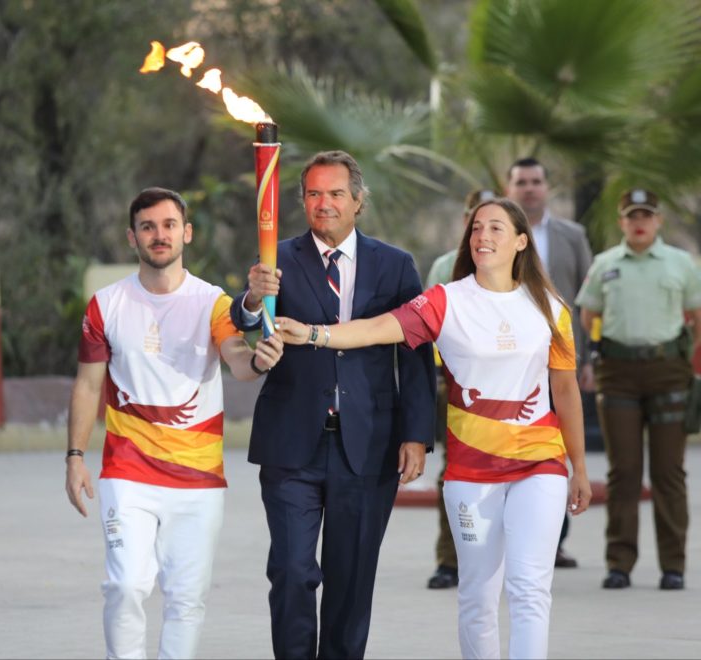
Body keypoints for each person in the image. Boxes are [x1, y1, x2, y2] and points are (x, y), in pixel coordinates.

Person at [277, 197, 592, 660]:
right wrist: (314, 334)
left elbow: (565, 391)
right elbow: (377, 329)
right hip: (471, 472)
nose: (482, 237)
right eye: (476, 228)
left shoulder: (550, 307)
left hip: (538, 465)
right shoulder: (447, 300)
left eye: (496, 229)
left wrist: (578, 466)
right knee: (478, 597)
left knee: (529, 588)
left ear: (521, 242)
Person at [230, 150, 436, 659]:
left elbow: (415, 356)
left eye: (336, 193)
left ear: (358, 201)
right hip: (291, 445)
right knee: (293, 570)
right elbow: (248, 324)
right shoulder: (274, 258)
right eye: (315, 193)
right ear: (301, 200)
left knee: (352, 577)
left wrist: (416, 434)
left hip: (368, 446)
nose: (325, 203)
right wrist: (253, 299)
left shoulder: (395, 265)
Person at [64, 187, 283, 659]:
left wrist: (262, 361)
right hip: (129, 471)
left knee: (186, 598)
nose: (158, 235)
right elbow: (86, 386)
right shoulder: (106, 305)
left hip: (197, 478)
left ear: (186, 233)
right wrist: (75, 456)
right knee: (125, 584)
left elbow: (239, 363)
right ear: (131, 237)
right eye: (147, 227)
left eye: (167, 225)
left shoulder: (213, 302)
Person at [575, 189, 701, 591]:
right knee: (624, 472)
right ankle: (619, 564)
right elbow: (588, 313)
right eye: (632, 216)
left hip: (668, 372)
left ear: (659, 221)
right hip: (619, 373)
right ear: (622, 222)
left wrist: (684, 359)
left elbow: (696, 315)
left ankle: (673, 566)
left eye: (646, 215)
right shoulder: (606, 264)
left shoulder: (681, 263)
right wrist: (596, 353)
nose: (639, 222)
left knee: (668, 472)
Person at [505, 156, 593, 568]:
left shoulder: (572, 236)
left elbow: (585, 302)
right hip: (509, 361)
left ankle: (552, 541)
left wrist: (587, 360)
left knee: (556, 448)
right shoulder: (497, 233)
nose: (529, 188)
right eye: (521, 181)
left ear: (547, 187)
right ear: (510, 188)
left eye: (536, 181)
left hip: (558, 360)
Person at [425, 188, 498, 590]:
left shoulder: (518, 268)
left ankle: (501, 558)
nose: (481, 229)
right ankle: (450, 561)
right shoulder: (444, 266)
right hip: (457, 386)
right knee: (454, 473)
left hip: (510, 390)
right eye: (475, 219)